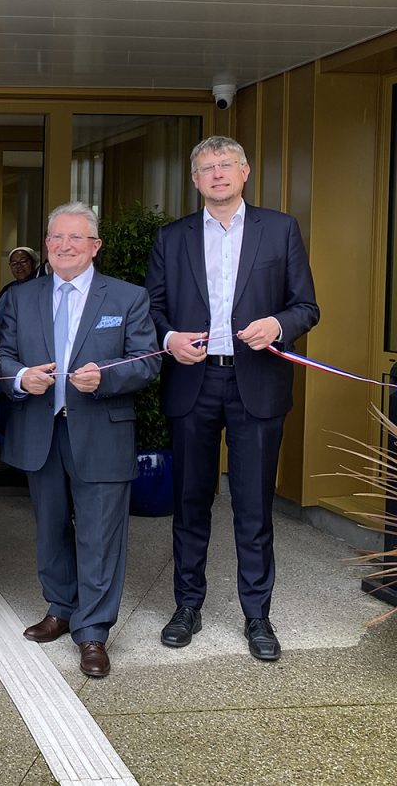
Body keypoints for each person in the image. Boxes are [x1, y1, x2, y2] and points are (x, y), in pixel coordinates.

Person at [145, 135, 319, 663]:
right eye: (206, 168)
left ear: (244, 172)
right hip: (193, 383)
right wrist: (169, 338)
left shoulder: (280, 229)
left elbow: (306, 307)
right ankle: (187, 606)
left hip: (257, 383)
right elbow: (150, 310)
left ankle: (257, 615)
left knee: (253, 507)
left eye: (226, 165)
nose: (217, 174)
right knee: (191, 503)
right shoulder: (171, 238)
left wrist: (277, 324)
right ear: (194, 180)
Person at [0, 201, 159, 678]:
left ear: (95, 246)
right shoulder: (22, 297)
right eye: (55, 238)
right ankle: (60, 608)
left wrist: (105, 378)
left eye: (75, 238)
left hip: (101, 431)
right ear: (46, 245)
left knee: (100, 534)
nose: (64, 246)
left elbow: (148, 360)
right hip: (40, 431)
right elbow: (0, 355)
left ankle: (93, 631)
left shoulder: (127, 298)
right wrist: (21, 376)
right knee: (49, 528)